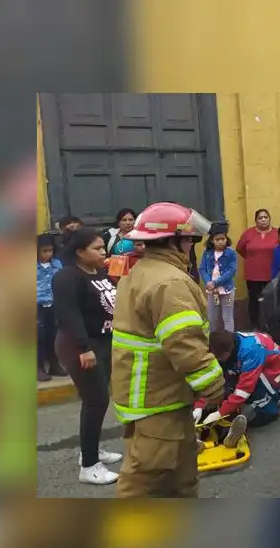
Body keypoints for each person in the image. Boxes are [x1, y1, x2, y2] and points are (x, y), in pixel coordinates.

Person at [111, 202, 226, 498]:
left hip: (155, 396)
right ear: (172, 241)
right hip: (159, 400)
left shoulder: (142, 271)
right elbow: (184, 342)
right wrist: (214, 385)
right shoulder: (169, 282)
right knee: (145, 483)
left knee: (179, 477)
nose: (191, 246)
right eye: (188, 239)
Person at [51, 227, 124, 485]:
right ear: (80, 251)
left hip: (103, 342)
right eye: (97, 248)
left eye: (103, 247)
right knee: (96, 400)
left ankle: (90, 450)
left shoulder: (99, 272)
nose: (103, 252)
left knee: (98, 400)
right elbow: (68, 315)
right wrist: (84, 348)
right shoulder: (66, 277)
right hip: (80, 346)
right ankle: (90, 466)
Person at [193, 330, 280, 434]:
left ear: (228, 351)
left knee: (255, 394)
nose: (217, 360)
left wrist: (219, 413)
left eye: (219, 357)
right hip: (269, 364)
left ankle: (269, 411)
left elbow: (244, 391)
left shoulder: (250, 351)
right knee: (240, 385)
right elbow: (215, 379)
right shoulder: (229, 343)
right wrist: (200, 405)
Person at [236, 208, 277, 329]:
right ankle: (255, 325)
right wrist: (252, 258)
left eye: (266, 217)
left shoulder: (277, 233)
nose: (263, 220)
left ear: (269, 219)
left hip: (272, 273)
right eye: (260, 218)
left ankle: (272, 325)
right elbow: (240, 248)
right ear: (256, 220)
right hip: (253, 274)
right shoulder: (248, 233)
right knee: (254, 301)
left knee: (272, 300)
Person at [37, 233, 67, 382]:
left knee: (54, 336)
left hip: (54, 304)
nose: (48, 254)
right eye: (44, 251)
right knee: (39, 338)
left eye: (50, 251)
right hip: (37, 306)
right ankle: (38, 368)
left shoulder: (57, 264)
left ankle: (54, 364)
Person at [198, 220, 238, 332]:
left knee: (227, 317)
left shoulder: (231, 253)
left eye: (223, 239)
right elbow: (202, 268)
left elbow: (231, 271)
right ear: (212, 240)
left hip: (227, 290)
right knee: (212, 318)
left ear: (226, 238)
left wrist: (215, 282)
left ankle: (229, 338)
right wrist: (208, 282)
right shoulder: (207, 253)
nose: (220, 242)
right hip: (212, 291)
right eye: (217, 239)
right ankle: (213, 338)